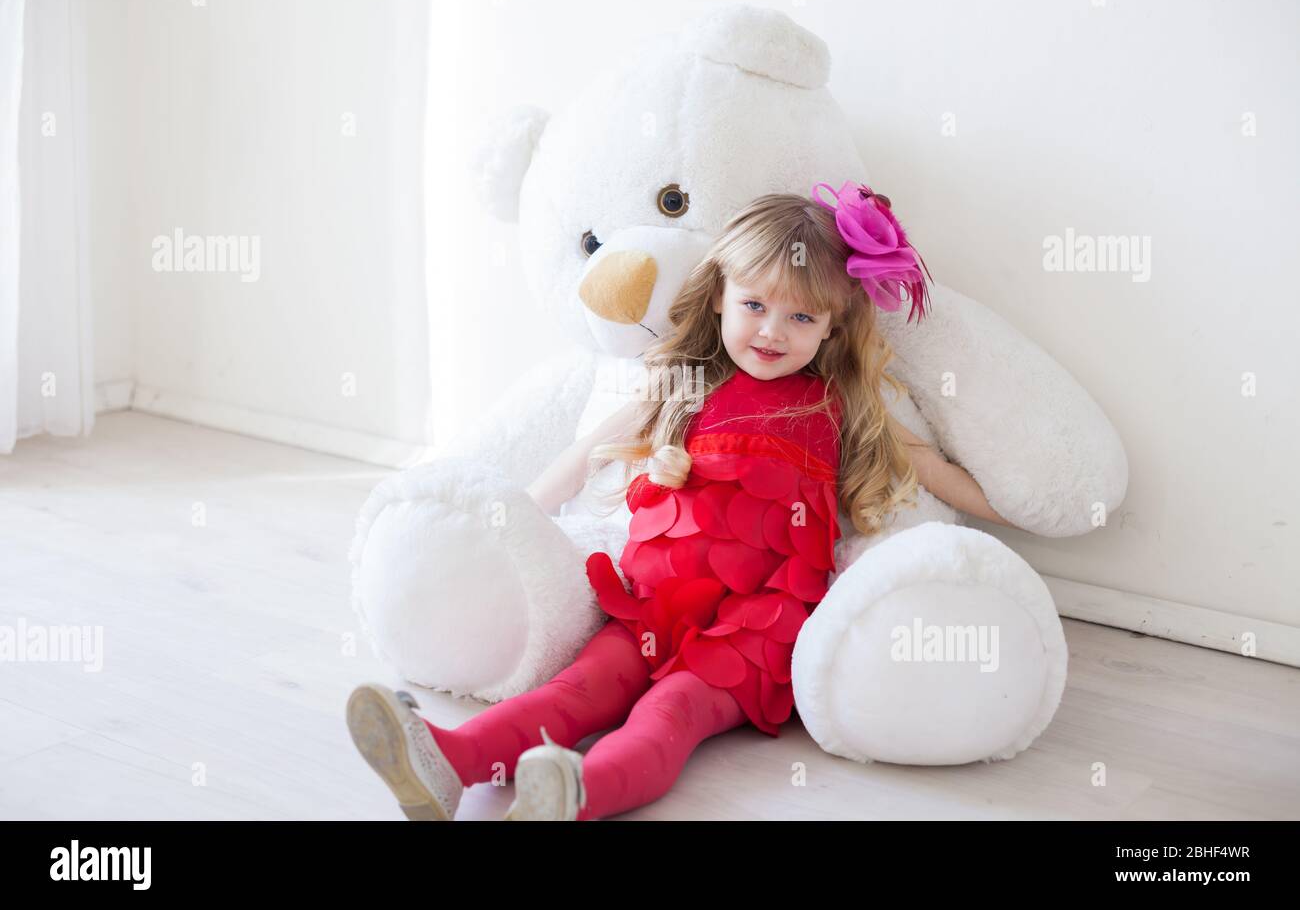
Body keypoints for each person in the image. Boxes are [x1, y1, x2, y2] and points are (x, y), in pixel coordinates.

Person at [346, 181, 1014, 820]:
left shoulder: (839, 402)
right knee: (575, 690)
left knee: (671, 715)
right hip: (652, 604)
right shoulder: (686, 385)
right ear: (720, 296)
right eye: (755, 305)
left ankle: (577, 793)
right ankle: (448, 758)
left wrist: (1008, 507)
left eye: (801, 316)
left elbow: (929, 466)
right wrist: (515, 517)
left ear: (833, 330)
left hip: (757, 626)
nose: (772, 332)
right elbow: (590, 455)